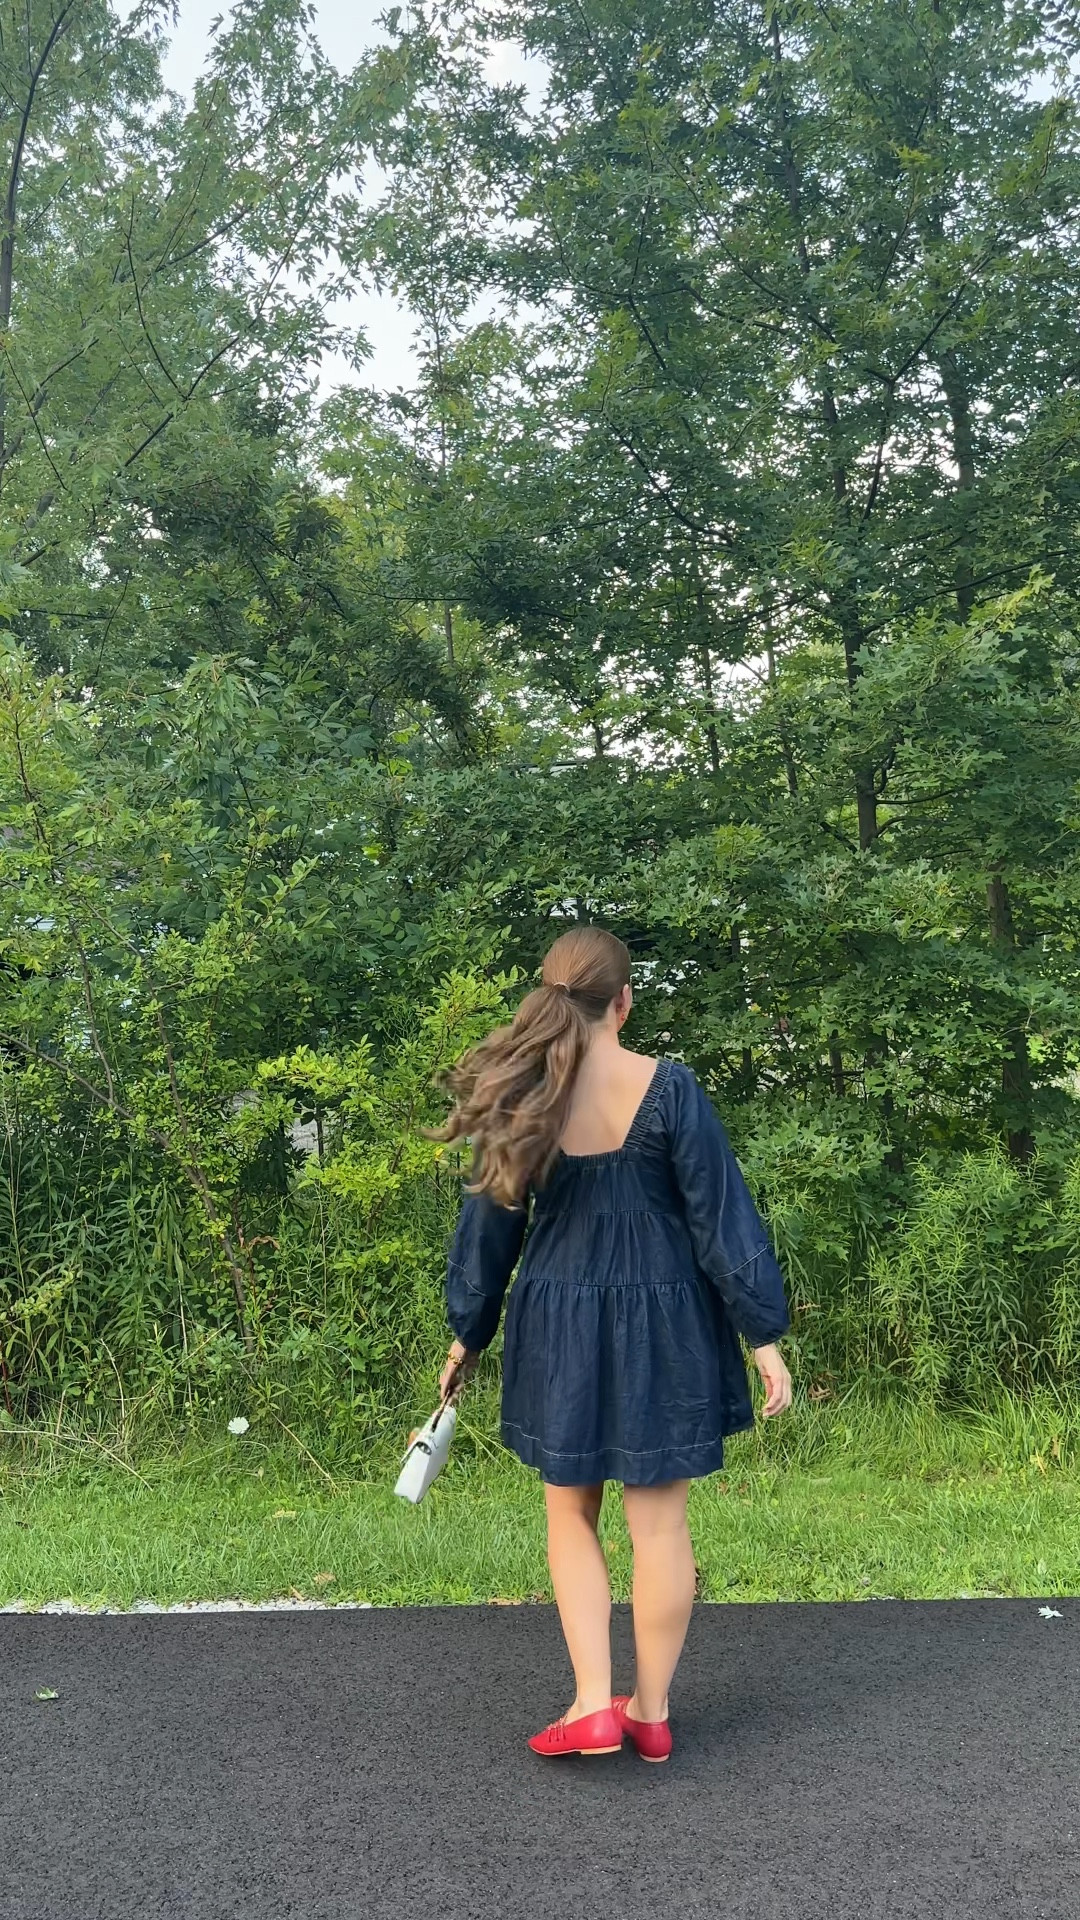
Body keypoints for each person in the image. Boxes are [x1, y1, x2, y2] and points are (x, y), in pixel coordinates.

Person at [431, 926, 792, 1763]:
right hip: (667, 1325)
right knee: (660, 1528)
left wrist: (467, 1335)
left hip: (560, 1323)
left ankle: (593, 1704)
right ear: (624, 1001)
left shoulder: (524, 1097)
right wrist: (763, 1334)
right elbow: (721, 1219)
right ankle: (651, 1713)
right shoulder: (672, 1090)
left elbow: (488, 1230)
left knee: (572, 1513)